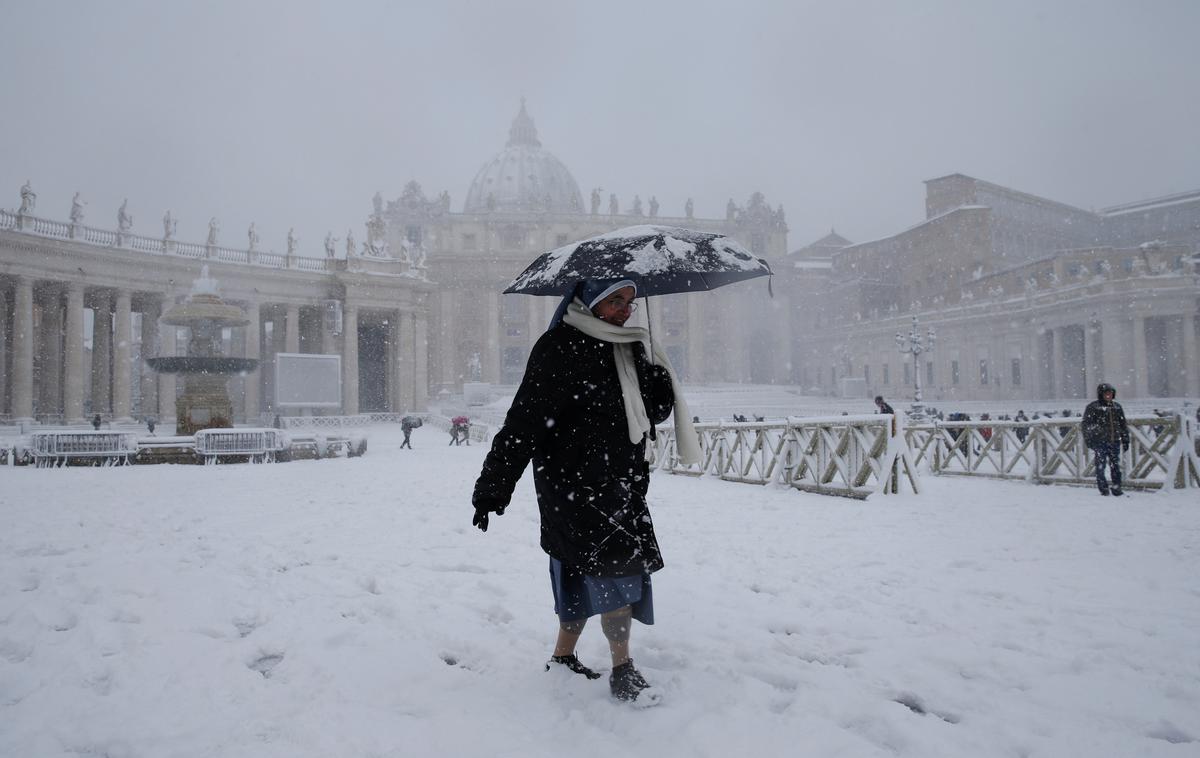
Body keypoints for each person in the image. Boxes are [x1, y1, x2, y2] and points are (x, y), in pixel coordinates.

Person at [471, 278, 699, 705]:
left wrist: (653, 375)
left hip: (622, 483)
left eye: (630, 301)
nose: (625, 310)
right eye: (615, 300)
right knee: (610, 573)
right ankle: (622, 667)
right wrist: (493, 488)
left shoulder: (632, 347)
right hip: (571, 485)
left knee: (583, 572)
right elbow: (524, 422)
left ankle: (563, 656)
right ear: (590, 301)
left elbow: (657, 411)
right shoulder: (558, 347)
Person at [1082, 382, 1130, 496]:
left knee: (1115, 466)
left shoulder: (1117, 407)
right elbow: (1086, 425)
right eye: (1106, 394)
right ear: (1101, 394)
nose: (1108, 395)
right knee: (1100, 466)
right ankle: (1103, 488)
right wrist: (1090, 439)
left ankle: (1117, 487)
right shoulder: (1093, 407)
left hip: (1115, 441)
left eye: (1110, 393)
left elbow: (1123, 425)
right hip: (1100, 442)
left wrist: (1125, 439)